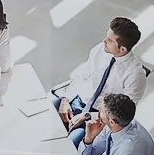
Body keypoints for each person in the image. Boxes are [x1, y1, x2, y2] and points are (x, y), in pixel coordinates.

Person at [55, 17, 148, 145]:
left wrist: (87, 116)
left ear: (122, 49)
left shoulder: (135, 75)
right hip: (77, 100)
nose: (104, 41)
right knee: (42, 116)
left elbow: (121, 114)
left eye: (110, 40)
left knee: (67, 145)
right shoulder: (101, 49)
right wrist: (65, 99)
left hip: (97, 118)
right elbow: (83, 76)